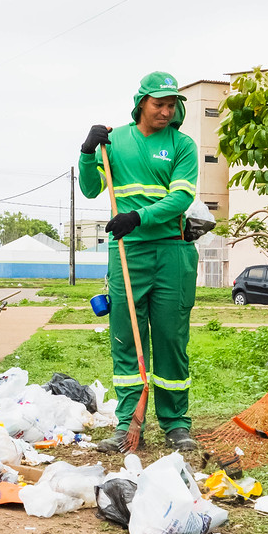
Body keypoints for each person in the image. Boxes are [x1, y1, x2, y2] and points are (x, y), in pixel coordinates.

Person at [78, 72, 201, 454]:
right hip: (127, 253)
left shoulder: (182, 145)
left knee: (170, 338)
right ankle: (128, 423)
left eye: (171, 105)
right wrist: (86, 154)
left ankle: (176, 423)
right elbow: (89, 188)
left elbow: (181, 199)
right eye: (159, 104)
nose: (166, 111)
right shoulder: (115, 143)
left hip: (171, 251)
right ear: (141, 103)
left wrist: (138, 217)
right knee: (126, 339)